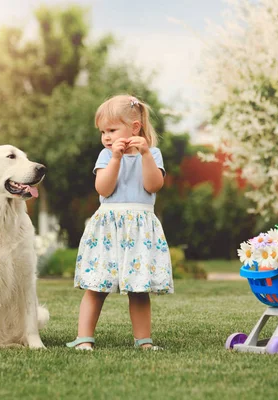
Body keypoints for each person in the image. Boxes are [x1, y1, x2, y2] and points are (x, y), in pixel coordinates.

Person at [66, 94, 174, 351]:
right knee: (96, 286)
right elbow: (103, 189)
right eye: (103, 131)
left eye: (112, 130)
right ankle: (84, 338)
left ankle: (143, 341)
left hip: (140, 230)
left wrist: (146, 154)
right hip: (108, 228)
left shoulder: (153, 154)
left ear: (135, 128)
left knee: (139, 289)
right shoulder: (105, 156)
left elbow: (153, 185)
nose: (106, 137)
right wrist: (115, 159)